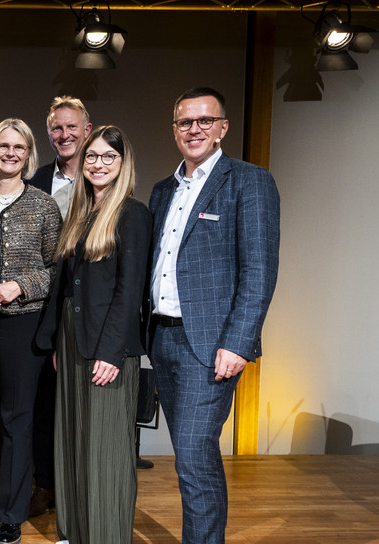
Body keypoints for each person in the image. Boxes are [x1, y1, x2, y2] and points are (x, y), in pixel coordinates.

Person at [147, 87, 280, 544]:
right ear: (175, 130)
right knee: (189, 453)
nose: (195, 129)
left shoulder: (249, 180)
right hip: (161, 338)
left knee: (193, 452)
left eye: (205, 121)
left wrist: (239, 342)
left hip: (211, 344)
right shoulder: (163, 189)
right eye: (185, 122)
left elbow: (259, 270)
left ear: (223, 127)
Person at [37, 125, 152, 544]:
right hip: (71, 338)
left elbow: (130, 290)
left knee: (105, 447)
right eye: (92, 157)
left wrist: (112, 351)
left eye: (108, 157)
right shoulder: (80, 214)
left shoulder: (132, 213)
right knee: (72, 438)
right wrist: (55, 340)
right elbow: (66, 286)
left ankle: (105, 535)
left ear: (123, 164)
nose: (98, 164)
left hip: (106, 342)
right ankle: (75, 531)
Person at [0, 119, 61, 544]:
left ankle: (13, 513)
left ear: (28, 153)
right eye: (3, 146)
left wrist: (20, 285)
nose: (10, 153)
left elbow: (56, 268)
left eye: (19, 147)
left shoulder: (44, 206)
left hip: (25, 324)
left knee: (16, 418)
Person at [24, 95, 93, 517]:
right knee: (43, 403)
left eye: (72, 127)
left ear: (87, 130)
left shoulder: (105, 174)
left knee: (85, 404)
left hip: (89, 307)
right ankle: (45, 485)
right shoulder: (36, 181)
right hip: (45, 305)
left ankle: (81, 489)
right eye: (56, 129)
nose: (64, 135)